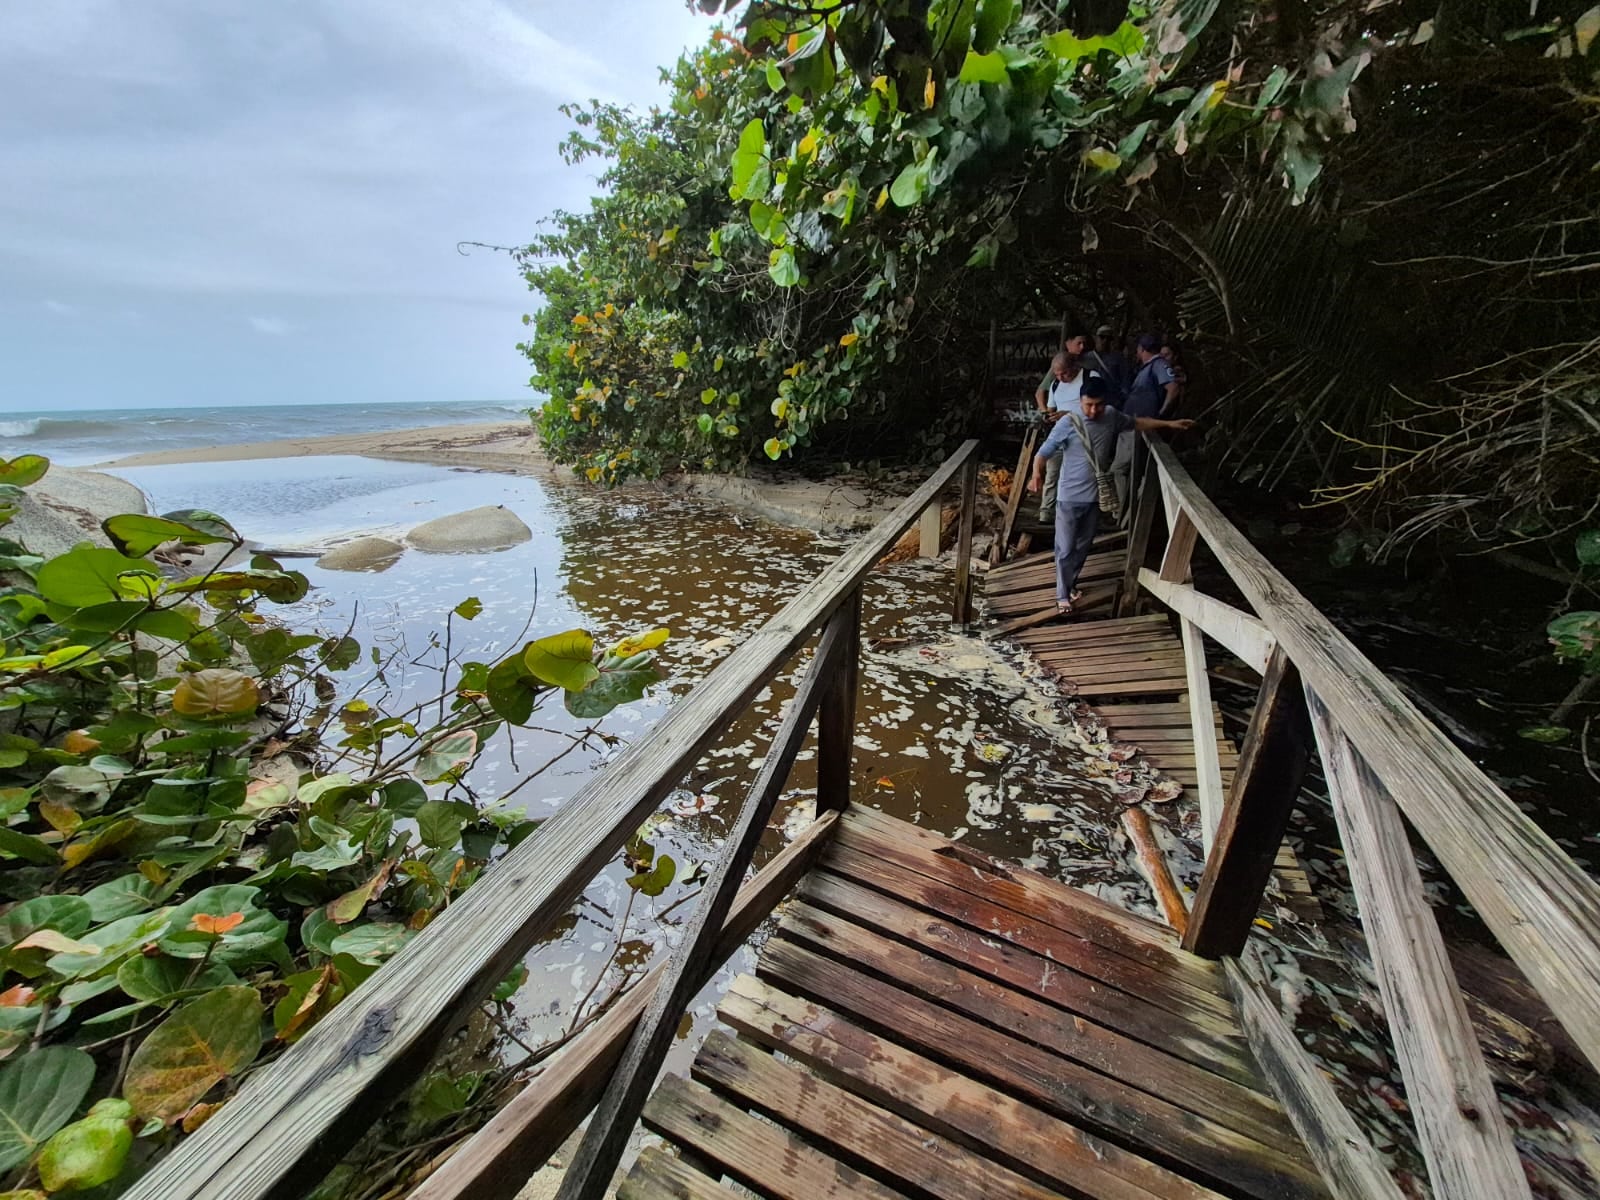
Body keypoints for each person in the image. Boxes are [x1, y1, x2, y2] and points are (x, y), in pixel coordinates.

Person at [1028, 377, 1194, 615]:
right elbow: (1042, 453)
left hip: (1096, 496)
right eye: (1088, 405)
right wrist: (1036, 475)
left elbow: (1136, 423)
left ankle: (1071, 584)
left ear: (1104, 402)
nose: (1093, 410)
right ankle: (1062, 595)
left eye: (1098, 404)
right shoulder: (1069, 422)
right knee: (1065, 547)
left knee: (1083, 546)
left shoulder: (1111, 415)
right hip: (1068, 496)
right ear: (1080, 401)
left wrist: (1168, 424)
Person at [1112, 333, 1182, 516]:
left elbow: (1173, 388)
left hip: (1141, 425)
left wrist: (1161, 414)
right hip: (1133, 423)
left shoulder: (1159, 365)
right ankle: (1128, 510)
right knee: (1134, 469)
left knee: (1123, 468)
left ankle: (1127, 512)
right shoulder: (1148, 368)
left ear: (1142, 350)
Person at [1032, 350, 1097, 520]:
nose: (1061, 378)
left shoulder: (1090, 378)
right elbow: (1052, 407)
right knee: (1052, 472)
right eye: (1057, 374)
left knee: (1079, 476)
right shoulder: (1055, 384)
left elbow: (1098, 408)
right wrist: (1049, 415)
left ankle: (1081, 512)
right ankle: (1046, 512)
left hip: (1083, 436)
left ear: (1074, 366)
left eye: (1065, 373)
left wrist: (1068, 414)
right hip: (1060, 435)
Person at [1093, 325, 1132, 394]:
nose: (1105, 341)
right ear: (1096, 338)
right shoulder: (1089, 357)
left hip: (1112, 398)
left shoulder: (1119, 358)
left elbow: (1126, 380)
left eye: (1109, 338)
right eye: (1102, 337)